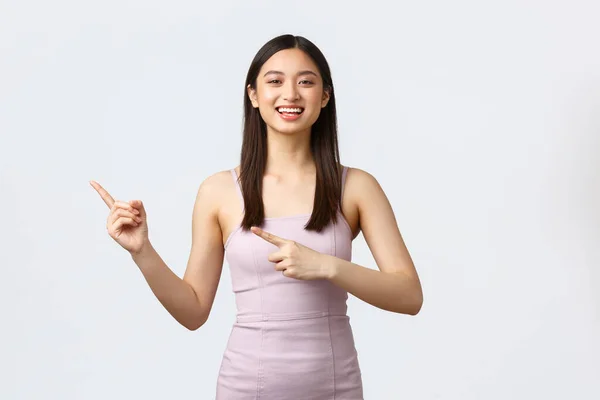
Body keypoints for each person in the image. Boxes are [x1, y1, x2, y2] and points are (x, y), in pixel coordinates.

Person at [90, 34, 423, 399]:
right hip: (247, 388)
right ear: (253, 94)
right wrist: (143, 252)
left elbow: (409, 295)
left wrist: (327, 266)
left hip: (335, 388)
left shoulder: (357, 187)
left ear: (325, 96)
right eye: (275, 81)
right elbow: (193, 312)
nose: (291, 94)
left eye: (306, 82)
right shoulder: (218, 191)